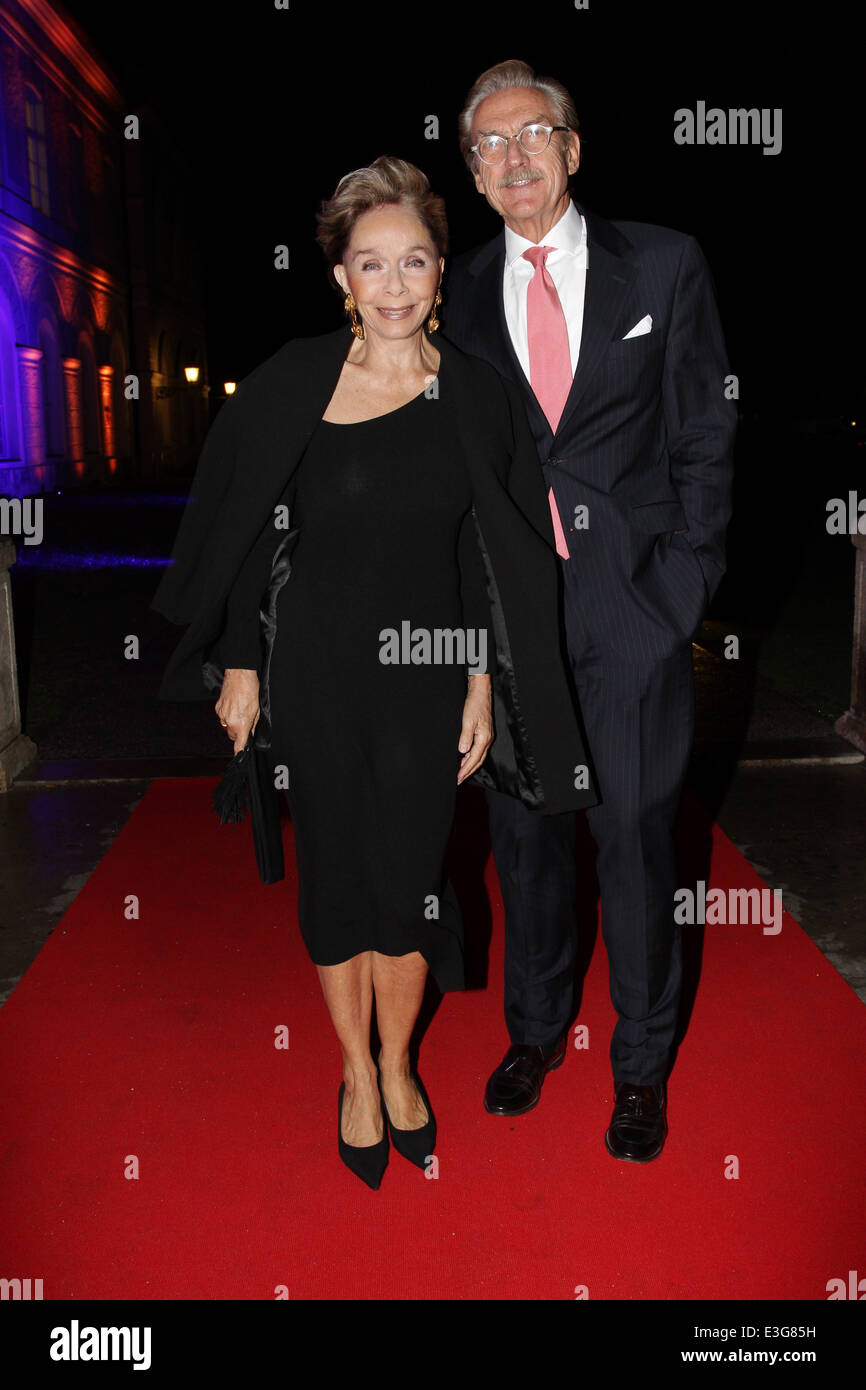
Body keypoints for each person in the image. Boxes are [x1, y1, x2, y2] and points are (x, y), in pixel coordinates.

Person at [150, 156, 596, 1189]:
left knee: (411, 887)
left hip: (428, 676)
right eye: (370, 265)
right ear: (339, 279)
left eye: (413, 262)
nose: (393, 285)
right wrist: (240, 661)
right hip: (314, 670)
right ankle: (354, 1072)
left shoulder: (473, 395)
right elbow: (255, 533)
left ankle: (400, 1063)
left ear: (442, 273)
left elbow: (489, 556)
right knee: (335, 883)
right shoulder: (294, 384)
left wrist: (482, 681)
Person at [444, 60, 736, 1161]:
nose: (512, 158)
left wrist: (679, 588)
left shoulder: (661, 265)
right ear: (470, 174)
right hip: (510, 625)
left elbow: (704, 432)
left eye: (532, 135)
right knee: (523, 843)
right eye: (487, 146)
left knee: (631, 843)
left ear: (571, 148)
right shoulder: (456, 289)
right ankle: (530, 1033)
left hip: (632, 612)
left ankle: (640, 1064)